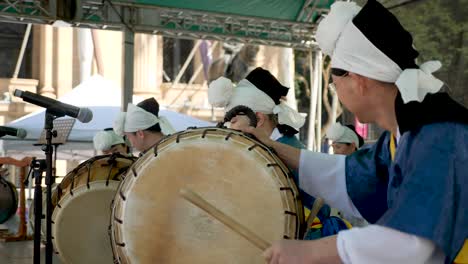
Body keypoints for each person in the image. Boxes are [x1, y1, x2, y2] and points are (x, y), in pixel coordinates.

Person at [241, 1, 468, 263]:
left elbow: (413, 241)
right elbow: (351, 179)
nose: (334, 90)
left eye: (334, 82)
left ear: (358, 80)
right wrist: (273, 147)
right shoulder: (402, 136)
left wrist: (311, 250)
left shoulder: (440, 134)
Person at [209, 68, 350, 239]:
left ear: (259, 119)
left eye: (234, 121)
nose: (231, 129)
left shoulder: (283, 152)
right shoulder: (275, 148)